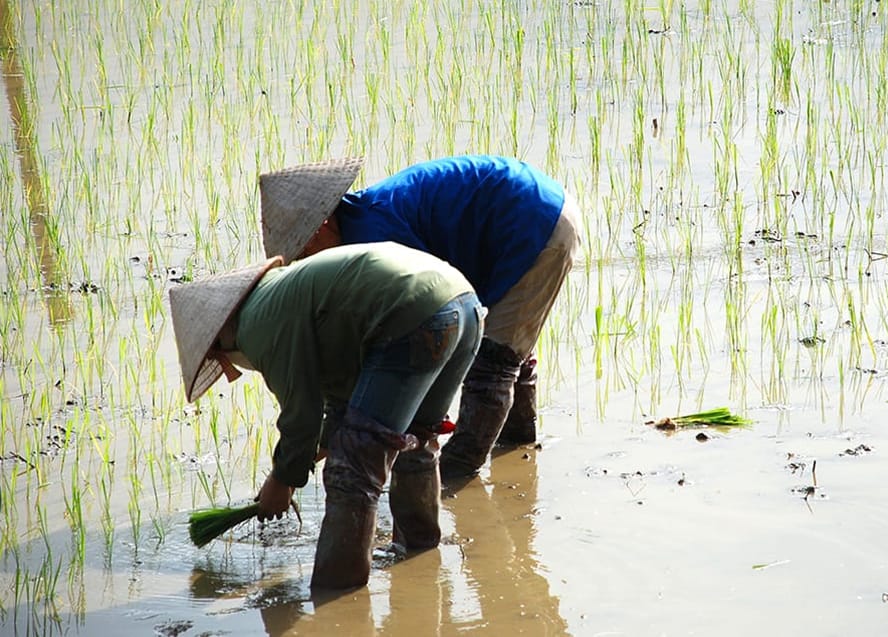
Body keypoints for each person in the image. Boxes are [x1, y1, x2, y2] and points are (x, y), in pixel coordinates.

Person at [169, 242, 484, 589]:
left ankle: (337, 593)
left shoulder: (257, 327)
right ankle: (420, 556)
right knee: (416, 441)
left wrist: (283, 479)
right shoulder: (283, 293)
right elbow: (344, 403)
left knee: (353, 470)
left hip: (411, 315)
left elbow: (300, 414)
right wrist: (308, 456)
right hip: (463, 305)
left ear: (216, 343)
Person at [257, 155, 580, 487]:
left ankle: (458, 482)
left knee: (493, 365)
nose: (308, 260)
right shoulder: (363, 219)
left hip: (533, 224)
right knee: (508, 347)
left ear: (322, 225)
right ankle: (518, 447)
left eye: (304, 249)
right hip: (536, 209)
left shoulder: (373, 239)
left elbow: (423, 325)